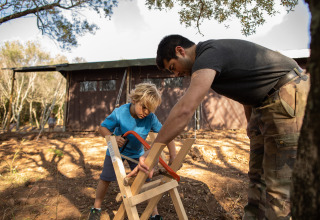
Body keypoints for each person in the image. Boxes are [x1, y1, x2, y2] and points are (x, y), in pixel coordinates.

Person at [129, 35, 309, 219]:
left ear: (180, 50)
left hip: (286, 93)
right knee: (257, 178)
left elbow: (185, 109)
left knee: (278, 187)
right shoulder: (213, 57)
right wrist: (252, 125)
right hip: (263, 104)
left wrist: (152, 154)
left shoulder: (208, 55)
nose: (175, 74)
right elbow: (248, 86)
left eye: (173, 67)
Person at [88, 82, 176, 220]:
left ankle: (154, 214)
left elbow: (167, 134)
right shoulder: (120, 112)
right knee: (105, 178)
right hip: (116, 151)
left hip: (137, 153)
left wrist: (173, 155)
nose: (146, 112)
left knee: (144, 180)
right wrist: (113, 138)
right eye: (144, 107)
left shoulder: (150, 118)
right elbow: (102, 128)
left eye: (150, 110)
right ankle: (96, 208)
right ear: (134, 100)